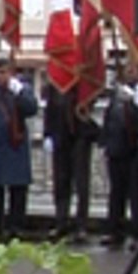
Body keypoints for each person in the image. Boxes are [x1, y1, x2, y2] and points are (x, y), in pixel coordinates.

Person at [0, 56, 38, 240]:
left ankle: (16, 225)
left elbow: (31, 109)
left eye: (2, 72)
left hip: (15, 145)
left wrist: (20, 93)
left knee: (17, 188)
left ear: (11, 73)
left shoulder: (21, 90)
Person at [43, 83, 98, 243]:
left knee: (81, 183)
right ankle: (61, 222)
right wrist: (48, 133)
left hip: (80, 137)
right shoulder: (56, 85)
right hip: (61, 136)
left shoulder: (84, 84)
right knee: (61, 182)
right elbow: (50, 109)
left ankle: (81, 225)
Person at [101, 63, 138, 249]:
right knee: (116, 193)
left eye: (133, 68)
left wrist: (136, 103)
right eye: (127, 68)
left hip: (137, 149)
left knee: (137, 195)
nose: (129, 72)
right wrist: (105, 141)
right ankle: (115, 231)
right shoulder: (117, 94)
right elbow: (109, 118)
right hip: (117, 149)